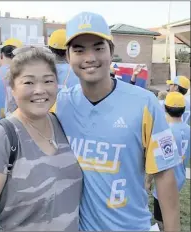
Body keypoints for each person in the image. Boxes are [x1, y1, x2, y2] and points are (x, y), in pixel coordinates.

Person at [55, 11, 180, 231]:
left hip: (130, 226)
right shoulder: (60, 103)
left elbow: (164, 176)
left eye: (98, 47)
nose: (89, 57)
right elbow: (23, 126)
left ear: (111, 51)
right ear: (68, 56)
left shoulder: (144, 103)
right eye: (79, 49)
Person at [0, 47, 83, 231]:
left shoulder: (62, 124)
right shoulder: (1, 138)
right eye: (28, 82)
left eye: (48, 81)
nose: (40, 90)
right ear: (13, 88)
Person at [148, 92, 190, 230]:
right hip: (180, 177)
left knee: (162, 218)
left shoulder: (164, 132)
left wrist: (148, 181)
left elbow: (156, 160)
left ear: (165, 107)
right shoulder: (188, 129)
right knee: (172, 208)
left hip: (165, 181)